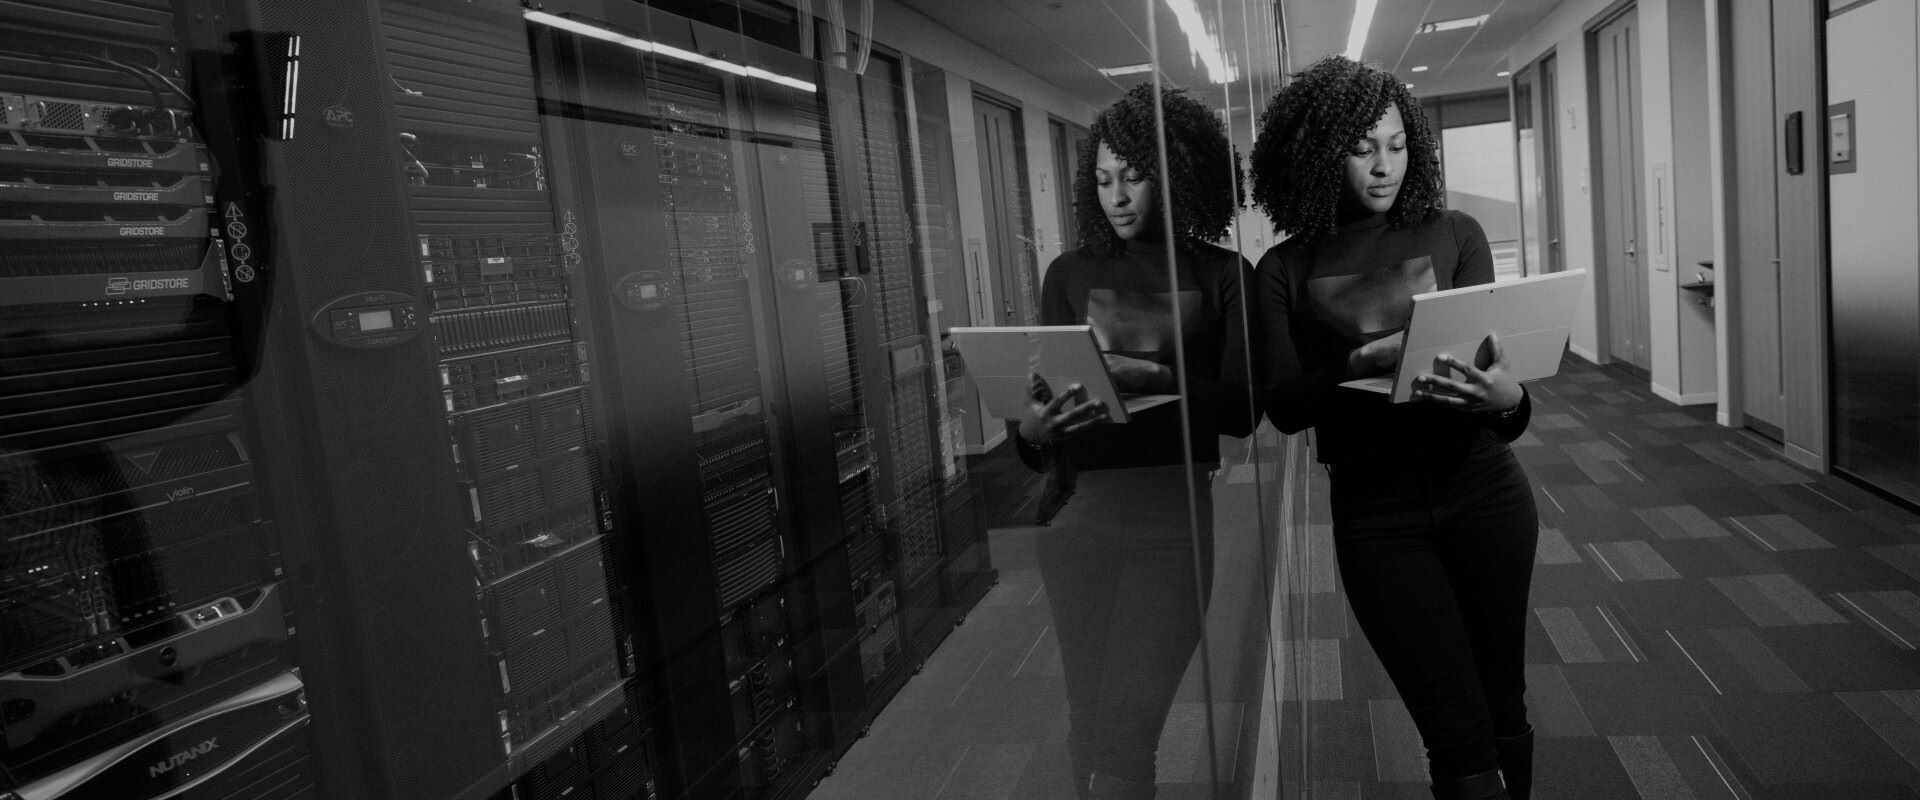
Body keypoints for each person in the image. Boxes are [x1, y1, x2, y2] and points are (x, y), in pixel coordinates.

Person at [1249, 56, 1539, 800]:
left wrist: (1506, 398)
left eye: (1397, 143)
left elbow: (1498, 402)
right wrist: (1365, 358)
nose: (1384, 165)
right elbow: (1283, 404)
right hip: (1377, 517)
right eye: (1361, 146)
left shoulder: (1454, 233)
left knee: (1504, 703)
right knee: (1456, 731)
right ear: (1317, 153)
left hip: (1484, 492)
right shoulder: (1284, 266)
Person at [1010, 82, 1254, 800]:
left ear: (1175, 175)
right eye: (1104, 178)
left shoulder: (1220, 274)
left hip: (1171, 524)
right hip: (1077, 518)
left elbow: (1242, 408)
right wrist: (1030, 429)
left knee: (1127, 731)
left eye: (1134, 175)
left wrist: (1139, 382)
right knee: (1089, 719)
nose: (1117, 195)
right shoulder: (1070, 274)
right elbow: (1046, 430)